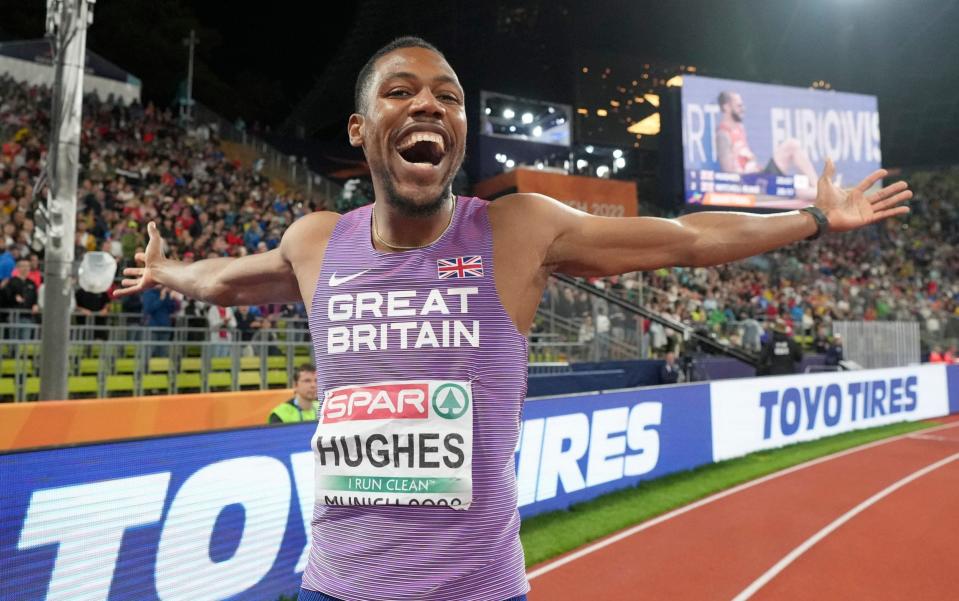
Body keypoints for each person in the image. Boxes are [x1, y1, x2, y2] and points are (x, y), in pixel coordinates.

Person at [114, 37, 911, 601]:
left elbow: (689, 238)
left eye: (447, 95)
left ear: (459, 135)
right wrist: (164, 270)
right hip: (335, 588)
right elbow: (222, 281)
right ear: (360, 133)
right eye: (399, 91)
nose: (427, 101)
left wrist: (810, 218)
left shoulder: (515, 228)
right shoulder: (316, 242)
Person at [716, 90, 819, 199]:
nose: (743, 109)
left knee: (792, 145)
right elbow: (728, 174)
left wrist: (752, 162)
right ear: (726, 107)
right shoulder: (723, 134)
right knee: (799, 189)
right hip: (751, 185)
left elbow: (746, 159)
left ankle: (821, 188)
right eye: (739, 106)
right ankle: (824, 193)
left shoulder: (739, 128)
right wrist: (746, 171)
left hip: (760, 177)